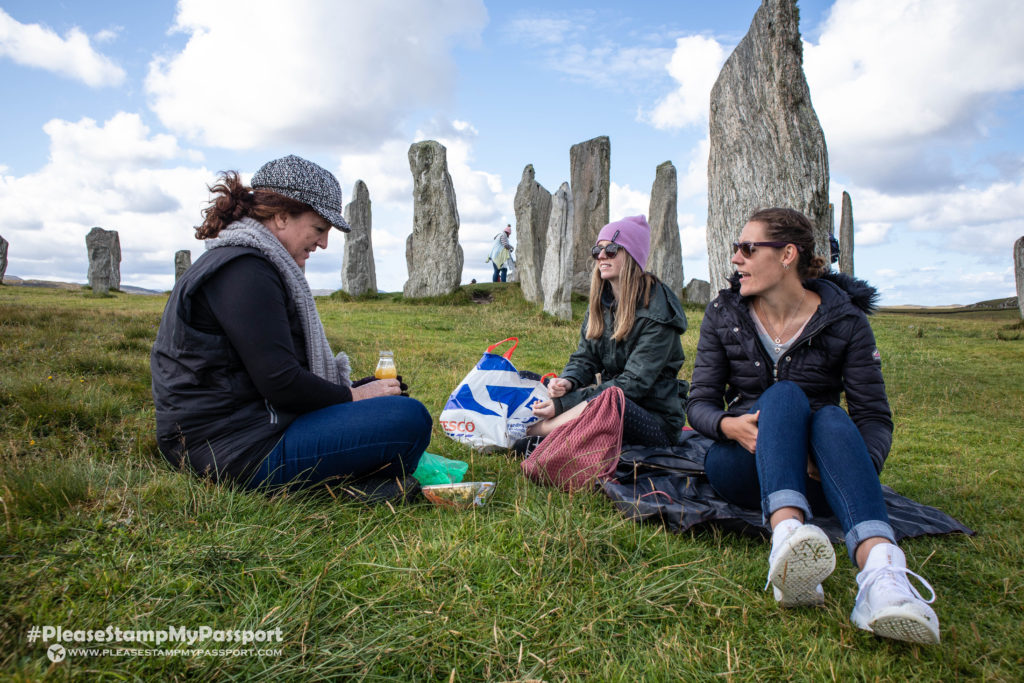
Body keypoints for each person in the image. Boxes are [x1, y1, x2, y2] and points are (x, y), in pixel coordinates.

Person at [686, 207, 940, 644]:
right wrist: (729, 426)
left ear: (787, 255)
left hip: (823, 475)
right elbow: (699, 403)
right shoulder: (724, 313)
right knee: (784, 396)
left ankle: (882, 576)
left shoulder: (845, 321)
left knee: (830, 417)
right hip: (742, 463)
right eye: (735, 249)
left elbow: (874, 417)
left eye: (748, 248)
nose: (736, 259)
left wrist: (853, 460)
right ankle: (788, 538)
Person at [151, 155, 431, 501]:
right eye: (319, 229)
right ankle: (333, 488)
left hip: (243, 429)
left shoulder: (251, 264)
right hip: (229, 449)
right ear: (281, 216)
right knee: (409, 419)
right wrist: (353, 397)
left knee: (390, 404)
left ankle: (354, 481)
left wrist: (362, 390)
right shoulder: (244, 271)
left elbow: (273, 376)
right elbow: (280, 382)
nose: (324, 243)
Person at [520, 215, 687, 451]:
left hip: (653, 421)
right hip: (606, 399)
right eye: (597, 250)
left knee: (613, 402)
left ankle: (538, 431)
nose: (601, 256)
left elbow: (632, 386)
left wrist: (563, 405)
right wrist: (568, 381)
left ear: (632, 256)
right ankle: (547, 429)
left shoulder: (658, 314)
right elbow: (585, 357)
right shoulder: (601, 303)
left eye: (611, 250)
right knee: (528, 376)